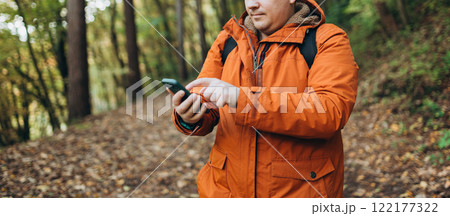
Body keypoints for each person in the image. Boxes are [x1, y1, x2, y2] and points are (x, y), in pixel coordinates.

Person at [169, 0, 358, 198]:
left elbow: (330, 111)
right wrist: (191, 116)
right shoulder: (227, 40)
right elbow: (206, 105)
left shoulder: (327, 39)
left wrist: (241, 99)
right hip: (225, 192)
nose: (251, 5)